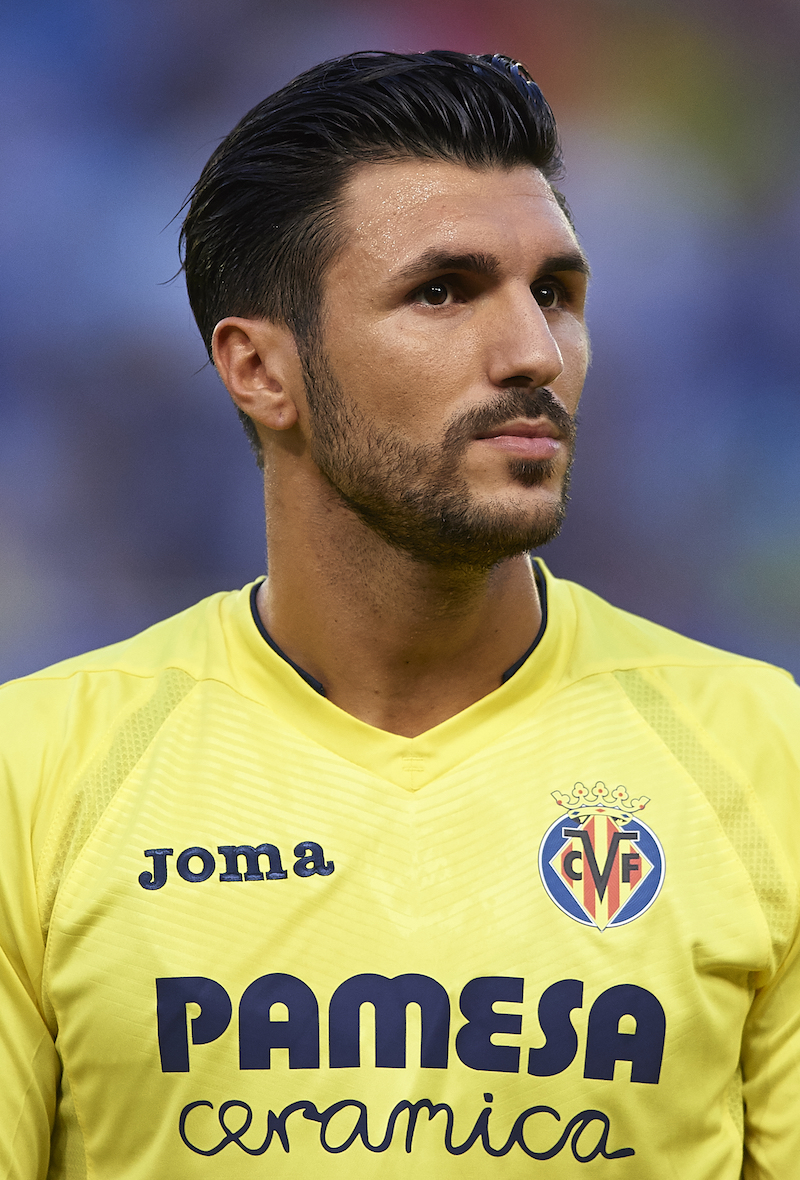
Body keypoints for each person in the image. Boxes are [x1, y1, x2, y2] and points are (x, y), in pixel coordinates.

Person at [1, 50, 798, 1180]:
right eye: (442, 291)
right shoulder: (36, 777)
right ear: (259, 371)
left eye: (554, 294)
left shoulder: (765, 761)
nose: (531, 352)